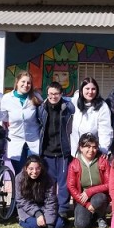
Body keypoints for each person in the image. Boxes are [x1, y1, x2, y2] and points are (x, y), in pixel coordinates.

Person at [38, 81, 75, 219]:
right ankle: (50, 207)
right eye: (50, 94)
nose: (53, 96)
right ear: (47, 94)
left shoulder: (68, 107)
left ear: (61, 94)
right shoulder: (41, 108)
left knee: (64, 182)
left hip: (63, 151)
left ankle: (63, 209)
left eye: (56, 94)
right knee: (49, 183)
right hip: (47, 151)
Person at [0, 70, 42, 174]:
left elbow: (43, 115)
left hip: (33, 141)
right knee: (20, 173)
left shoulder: (36, 97)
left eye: (28, 83)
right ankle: (20, 191)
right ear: (17, 82)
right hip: (15, 141)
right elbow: (3, 118)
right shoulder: (7, 98)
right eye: (23, 82)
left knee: (34, 172)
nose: (26, 85)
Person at [67, 133, 111, 228]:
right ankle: (91, 215)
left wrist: (90, 191)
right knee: (81, 225)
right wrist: (86, 204)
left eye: (94, 147)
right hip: (82, 197)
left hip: (99, 195)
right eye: (87, 146)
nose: (91, 150)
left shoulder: (103, 161)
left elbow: (109, 183)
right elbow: (71, 186)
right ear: (81, 148)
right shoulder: (74, 164)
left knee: (100, 198)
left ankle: (100, 216)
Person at [15, 155, 66, 228]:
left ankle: (49, 220)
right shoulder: (19, 179)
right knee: (35, 225)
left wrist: (50, 224)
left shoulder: (48, 179)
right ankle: (21, 220)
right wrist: (38, 214)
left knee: (59, 225)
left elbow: (50, 201)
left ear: (41, 168)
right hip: (26, 209)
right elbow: (21, 200)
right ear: (26, 168)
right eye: (31, 169)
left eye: (37, 168)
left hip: (43, 207)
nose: (34, 172)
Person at [70, 77, 113, 156]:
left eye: (93, 89)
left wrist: (103, 150)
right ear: (81, 90)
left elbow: (105, 131)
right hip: (75, 152)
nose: (90, 92)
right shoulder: (75, 102)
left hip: (92, 152)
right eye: (87, 88)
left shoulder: (102, 106)